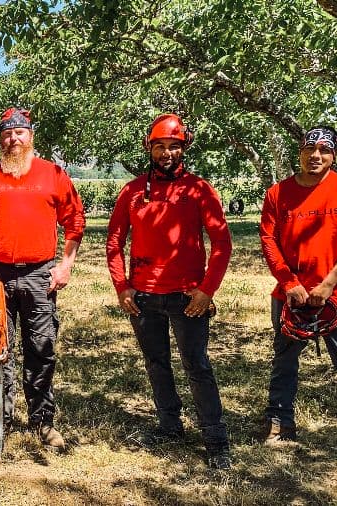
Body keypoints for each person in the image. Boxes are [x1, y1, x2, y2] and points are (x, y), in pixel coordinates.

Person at [106, 113, 232, 470]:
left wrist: (207, 291)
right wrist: (122, 286)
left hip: (187, 298)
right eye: (160, 145)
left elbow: (222, 242)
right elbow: (114, 241)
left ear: (184, 147)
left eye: (173, 146)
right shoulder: (132, 191)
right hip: (143, 297)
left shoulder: (198, 189)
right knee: (156, 364)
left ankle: (215, 438)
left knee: (197, 366)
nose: (166, 152)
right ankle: (170, 426)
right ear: (149, 148)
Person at [259, 125, 337, 468]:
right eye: (310, 148)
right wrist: (289, 283)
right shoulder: (277, 194)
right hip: (291, 297)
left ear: (334, 156)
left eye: (324, 150)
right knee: (284, 360)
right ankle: (280, 422)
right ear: (300, 151)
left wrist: (328, 284)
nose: (315, 155)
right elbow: (268, 241)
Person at [0, 107, 84, 451]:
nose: (13, 139)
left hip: (39, 275)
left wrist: (66, 264)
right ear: (1, 139)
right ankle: (1, 416)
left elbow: (75, 220)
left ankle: (43, 421)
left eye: (19, 133)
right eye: (7, 134)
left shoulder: (53, 174)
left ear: (30, 136)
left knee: (41, 348)